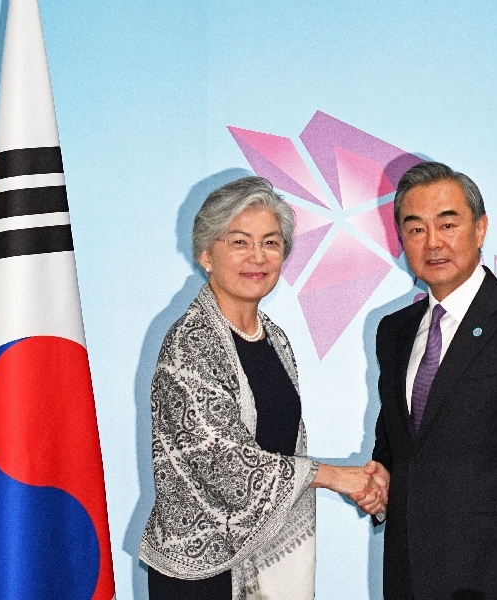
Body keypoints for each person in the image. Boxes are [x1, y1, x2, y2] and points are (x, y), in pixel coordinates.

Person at [139, 176, 385, 600]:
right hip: (203, 574)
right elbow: (224, 465)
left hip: (265, 560)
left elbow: (283, 446)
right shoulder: (190, 342)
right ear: (206, 254)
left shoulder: (274, 338)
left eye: (271, 243)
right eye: (239, 242)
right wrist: (334, 477)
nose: (258, 256)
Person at [358, 162, 497, 599]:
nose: (433, 242)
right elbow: (397, 448)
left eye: (447, 224)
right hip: (407, 579)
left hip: (494, 583)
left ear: (480, 229)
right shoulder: (393, 331)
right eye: (416, 229)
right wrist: (378, 483)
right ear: (399, 239)